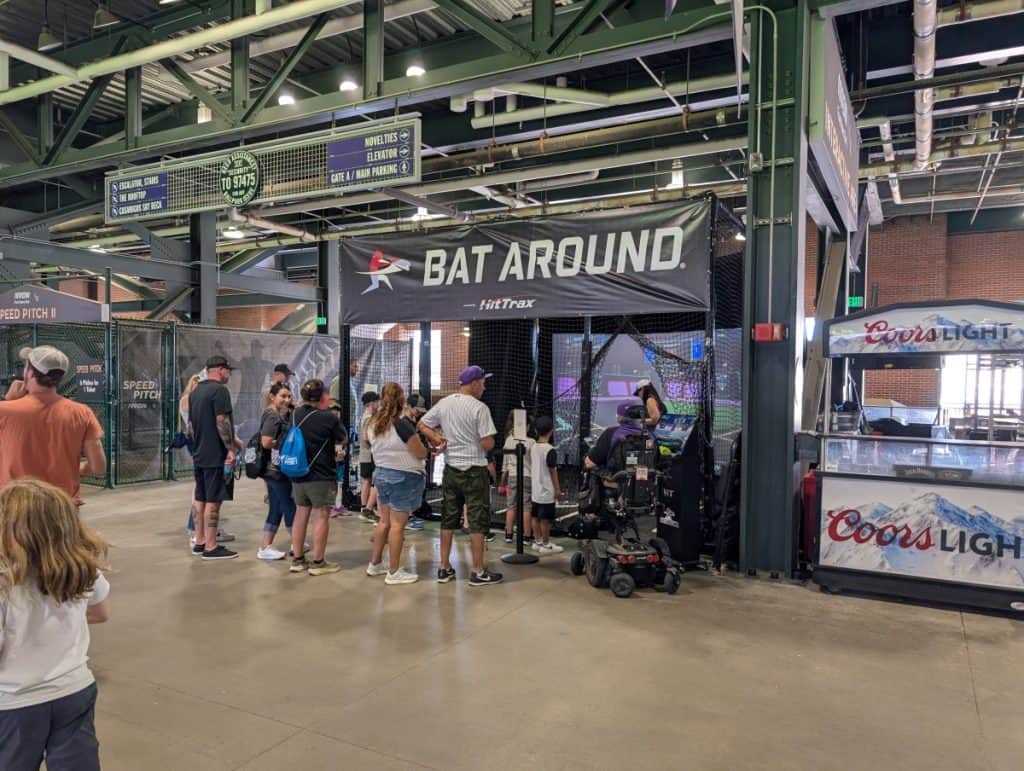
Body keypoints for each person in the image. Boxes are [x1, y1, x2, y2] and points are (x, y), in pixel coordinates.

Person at [0, 479, 110, 771]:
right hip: (74, 689)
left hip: (15, 702)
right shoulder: (83, 569)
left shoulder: (5, 585)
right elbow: (100, 613)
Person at [418, 365, 503, 586]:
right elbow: (487, 443)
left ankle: (444, 568)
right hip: (474, 470)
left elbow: (422, 423)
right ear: (474, 383)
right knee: (477, 520)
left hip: (451, 469)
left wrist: (437, 438)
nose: (484, 386)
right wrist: (489, 442)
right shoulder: (480, 408)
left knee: (448, 519)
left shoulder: (445, 403)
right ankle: (477, 571)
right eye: (483, 382)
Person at [0, 346, 105, 501]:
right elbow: (98, 467)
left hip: (17, 506)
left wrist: (8, 401)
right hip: (63, 505)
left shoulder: (5, 411)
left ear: (29, 373)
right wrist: (72, 469)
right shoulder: (82, 413)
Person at [365, 382, 429, 585]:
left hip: (381, 475)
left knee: (384, 522)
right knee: (398, 526)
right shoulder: (402, 424)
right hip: (403, 477)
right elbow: (420, 452)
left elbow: (368, 444)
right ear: (402, 400)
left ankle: (375, 564)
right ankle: (393, 571)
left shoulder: (373, 422)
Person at [288, 379, 346, 576]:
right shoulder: (328, 418)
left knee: (300, 513)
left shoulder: (295, 414)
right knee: (321, 515)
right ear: (323, 397)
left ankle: (297, 559)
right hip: (321, 474)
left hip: (298, 472)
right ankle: (318, 562)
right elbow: (343, 438)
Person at [188, 355, 239, 561]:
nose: (229, 375)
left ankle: (199, 541)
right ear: (220, 369)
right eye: (228, 371)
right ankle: (211, 546)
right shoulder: (219, 391)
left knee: (200, 498)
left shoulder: (196, 392)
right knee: (214, 500)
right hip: (215, 455)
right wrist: (231, 449)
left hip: (199, 453)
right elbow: (221, 421)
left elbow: (191, 426)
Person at [256, 383, 296, 560]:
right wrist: (284, 444)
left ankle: (265, 547)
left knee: (277, 508)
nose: (287, 400)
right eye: (283, 396)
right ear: (272, 397)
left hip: (274, 469)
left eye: (289, 396)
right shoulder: (272, 416)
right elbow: (265, 442)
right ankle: (297, 543)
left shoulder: (277, 414)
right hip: (275, 469)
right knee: (288, 505)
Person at [498, 412, 535, 544]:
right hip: (527, 476)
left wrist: (502, 483)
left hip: (512, 476)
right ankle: (526, 536)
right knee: (526, 507)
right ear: (528, 427)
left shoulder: (509, 440)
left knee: (511, 506)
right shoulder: (531, 442)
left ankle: (508, 534)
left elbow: (505, 466)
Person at [529, 416, 563, 554]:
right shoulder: (550, 449)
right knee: (545, 519)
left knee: (535, 516)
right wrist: (557, 489)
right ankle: (546, 544)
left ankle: (537, 542)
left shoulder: (533, 447)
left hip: (535, 489)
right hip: (546, 490)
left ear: (536, 430)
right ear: (551, 431)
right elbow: (552, 471)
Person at [585, 397, 647, 472]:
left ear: (620, 417)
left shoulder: (610, 433)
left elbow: (590, 463)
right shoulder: (650, 436)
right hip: (645, 480)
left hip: (616, 480)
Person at [357, 391, 380, 523]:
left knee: (368, 481)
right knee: (368, 481)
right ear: (371, 404)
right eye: (377, 402)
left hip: (367, 455)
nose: (379, 405)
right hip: (368, 455)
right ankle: (366, 508)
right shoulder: (368, 418)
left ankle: (366, 508)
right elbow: (366, 438)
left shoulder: (367, 416)